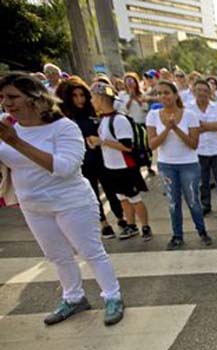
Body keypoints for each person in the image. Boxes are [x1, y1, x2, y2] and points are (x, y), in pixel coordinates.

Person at [0, 72, 124, 325]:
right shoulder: (7, 126)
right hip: (33, 205)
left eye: (13, 96)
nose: (7, 103)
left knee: (91, 252)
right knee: (57, 256)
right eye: (2, 97)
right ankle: (74, 298)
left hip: (71, 202)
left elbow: (65, 167)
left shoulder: (64, 127)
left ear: (34, 98)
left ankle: (112, 296)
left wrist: (15, 142)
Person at [146, 80, 213, 250]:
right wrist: (167, 129)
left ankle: (202, 231)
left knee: (193, 201)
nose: (163, 96)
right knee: (173, 203)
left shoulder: (189, 115)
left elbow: (193, 144)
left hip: (188, 164)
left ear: (176, 95)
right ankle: (177, 236)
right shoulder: (153, 115)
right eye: (159, 93)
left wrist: (175, 128)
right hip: (166, 165)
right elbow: (152, 144)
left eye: (166, 92)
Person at [57, 77, 126, 239]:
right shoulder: (64, 118)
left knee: (111, 189)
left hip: (102, 158)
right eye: (75, 96)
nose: (79, 99)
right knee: (93, 194)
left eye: (82, 95)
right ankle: (103, 223)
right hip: (82, 162)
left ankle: (121, 217)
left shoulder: (94, 112)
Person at [88, 82, 152, 242]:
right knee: (122, 198)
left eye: (93, 97)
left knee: (134, 198)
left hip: (126, 167)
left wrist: (101, 141)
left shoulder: (119, 120)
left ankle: (145, 226)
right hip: (111, 167)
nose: (91, 101)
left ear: (101, 98)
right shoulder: (103, 119)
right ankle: (131, 225)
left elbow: (127, 146)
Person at [189, 79, 217, 216]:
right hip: (199, 150)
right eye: (199, 90)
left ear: (209, 92)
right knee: (203, 181)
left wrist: (202, 126)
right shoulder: (188, 108)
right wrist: (209, 126)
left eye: (205, 90)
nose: (202, 93)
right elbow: (190, 130)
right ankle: (205, 205)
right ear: (194, 92)